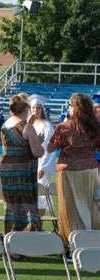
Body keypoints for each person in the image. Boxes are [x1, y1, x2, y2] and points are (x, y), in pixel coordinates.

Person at [47, 93, 100, 248]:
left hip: (68, 171)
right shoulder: (94, 127)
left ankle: (72, 245)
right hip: (90, 170)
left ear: (74, 107)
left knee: (70, 209)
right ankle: (91, 241)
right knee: (90, 206)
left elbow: (50, 148)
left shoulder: (64, 127)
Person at [0, 93, 44, 236]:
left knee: (11, 206)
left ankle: (10, 236)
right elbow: (37, 152)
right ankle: (26, 238)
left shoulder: (5, 124)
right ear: (25, 108)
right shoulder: (27, 128)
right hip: (23, 171)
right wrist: (40, 143)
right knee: (26, 205)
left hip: (6, 169)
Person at [28, 94, 56, 217]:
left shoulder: (47, 126)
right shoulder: (29, 125)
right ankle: (31, 223)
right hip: (28, 164)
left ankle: (39, 222)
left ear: (42, 109)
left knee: (41, 195)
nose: (35, 111)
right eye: (33, 108)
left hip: (40, 164)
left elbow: (49, 150)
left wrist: (43, 167)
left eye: (38, 108)